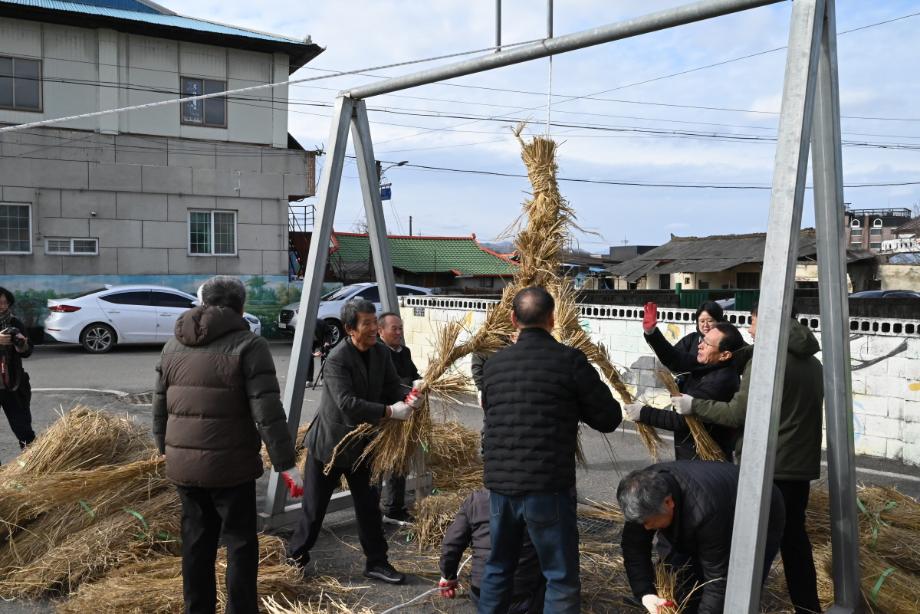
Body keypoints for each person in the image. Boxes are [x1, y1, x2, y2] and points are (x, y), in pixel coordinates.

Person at [153, 276, 302, 614]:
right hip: (230, 469)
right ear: (241, 306)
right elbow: (266, 411)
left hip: (183, 467)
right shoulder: (249, 345)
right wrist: (286, 464)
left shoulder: (173, 345)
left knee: (195, 544)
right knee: (239, 544)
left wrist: (166, 448)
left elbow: (159, 404)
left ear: (203, 303)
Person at [478, 286, 623, 613]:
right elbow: (608, 417)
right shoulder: (569, 361)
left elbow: (493, 411)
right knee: (559, 576)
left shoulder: (493, 366)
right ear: (553, 318)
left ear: (513, 319)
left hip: (500, 486)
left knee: (498, 567)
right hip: (548, 487)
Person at [672, 304, 824, 614]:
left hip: (771, 464)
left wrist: (694, 405)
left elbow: (737, 414)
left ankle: (738, 604)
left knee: (749, 541)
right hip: (800, 464)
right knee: (794, 541)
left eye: (754, 324)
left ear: (769, 323)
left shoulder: (767, 361)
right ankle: (808, 608)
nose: (751, 331)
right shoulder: (812, 362)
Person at [286, 299, 421, 584]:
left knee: (369, 506)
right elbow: (347, 403)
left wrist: (410, 393)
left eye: (375, 322)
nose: (374, 329)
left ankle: (377, 563)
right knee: (314, 509)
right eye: (367, 324)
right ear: (350, 329)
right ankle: (295, 559)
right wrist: (388, 411)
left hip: (364, 446)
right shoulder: (336, 359)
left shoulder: (380, 353)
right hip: (331, 445)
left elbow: (390, 385)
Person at [619, 461, 785, 614]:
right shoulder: (640, 495)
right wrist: (645, 593)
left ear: (668, 502)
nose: (647, 528)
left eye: (649, 522)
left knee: (739, 590)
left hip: (760, 509)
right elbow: (634, 547)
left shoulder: (705, 511)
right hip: (713, 503)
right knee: (683, 578)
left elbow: (718, 579)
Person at [623, 321, 745, 460]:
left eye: (707, 344)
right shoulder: (708, 364)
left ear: (725, 355)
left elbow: (682, 420)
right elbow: (675, 359)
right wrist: (652, 333)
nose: (700, 346)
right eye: (702, 340)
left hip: (707, 461)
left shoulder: (722, 381)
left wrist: (643, 413)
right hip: (689, 454)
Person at [439, 488, 545, 613]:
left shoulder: (476, 500)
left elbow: (452, 544)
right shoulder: (540, 500)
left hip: (483, 591)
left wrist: (448, 576)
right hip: (523, 592)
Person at [377, 311, 422, 524]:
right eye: (394, 328)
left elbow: (413, 375)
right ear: (380, 330)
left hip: (404, 416)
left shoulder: (405, 352)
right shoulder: (376, 352)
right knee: (377, 464)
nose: (398, 332)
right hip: (383, 414)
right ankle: (371, 510)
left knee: (400, 462)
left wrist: (419, 386)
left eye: (400, 328)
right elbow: (386, 382)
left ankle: (394, 508)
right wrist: (404, 391)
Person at [643, 300, 725, 375]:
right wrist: (651, 332)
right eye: (702, 321)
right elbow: (672, 358)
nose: (705, 325)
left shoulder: (726, 342)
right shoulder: (692, 339)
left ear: (719, 321)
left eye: (710, 321)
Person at [0, 287, 35, 452]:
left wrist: (22, 345)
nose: (2, 306)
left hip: (13, 384)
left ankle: (31, 467)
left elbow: (27, 351)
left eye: (5, 303)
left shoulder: (15, 323)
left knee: (24, 431)